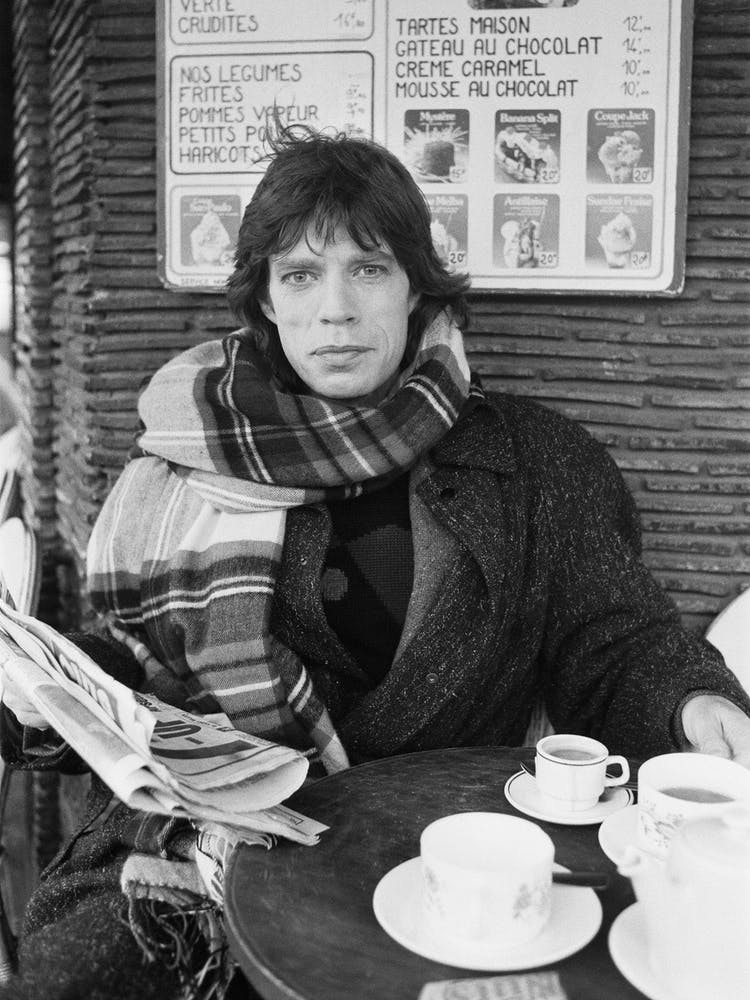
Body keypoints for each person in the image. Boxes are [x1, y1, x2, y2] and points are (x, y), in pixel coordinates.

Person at [2, 127, 750, 1000]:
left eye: (368, 269)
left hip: (446, 849)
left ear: (415, 290)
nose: (336, 311)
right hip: (197, 847)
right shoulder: (173, 470)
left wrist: (694, 704)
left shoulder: (536, 462)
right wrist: (36, 692)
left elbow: (616, 642)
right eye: (300, 275)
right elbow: (133, 672)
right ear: (266, 304)